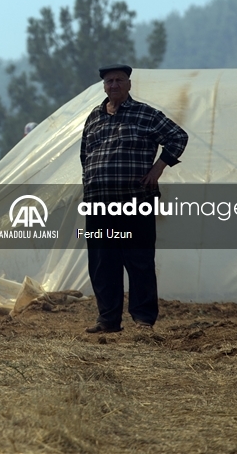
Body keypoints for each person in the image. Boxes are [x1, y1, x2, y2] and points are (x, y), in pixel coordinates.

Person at [80, 65, 188, 333]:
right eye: (109, 81)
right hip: (99, 201)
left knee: (138, 259)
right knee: (103, 262)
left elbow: (178, 137)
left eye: (119, 80)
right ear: (103, 86)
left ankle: (143, 320)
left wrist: (158, 168)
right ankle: (108, 319)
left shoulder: (146, 114)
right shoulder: (94, 117)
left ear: (129, 84)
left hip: (134, 200)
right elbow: (85, 156)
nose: (114, 85)